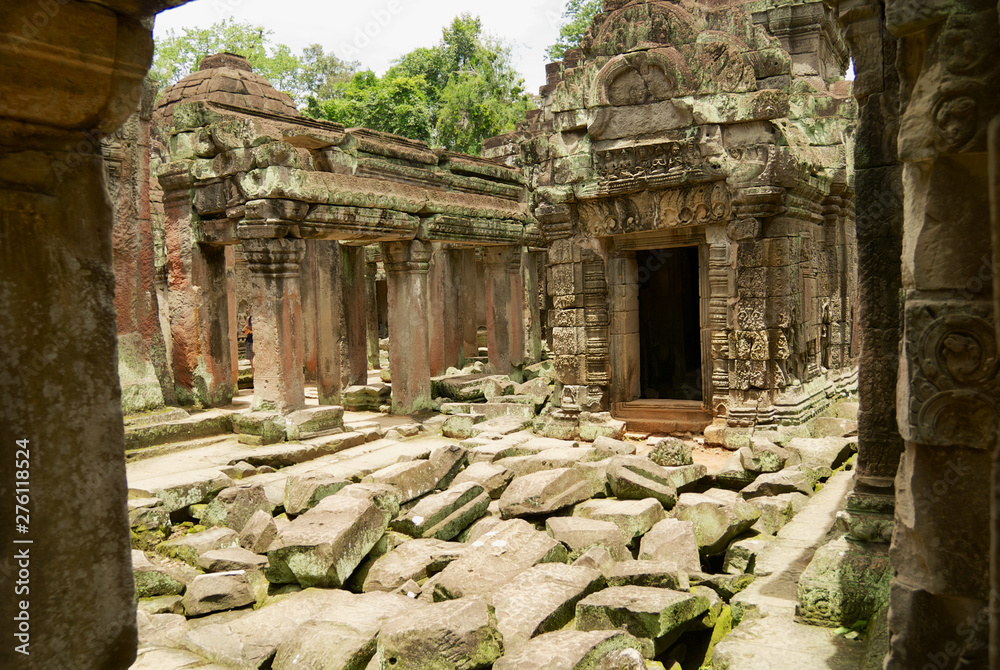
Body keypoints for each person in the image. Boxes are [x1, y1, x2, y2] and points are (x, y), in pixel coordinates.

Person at [242, 307, 254, 373]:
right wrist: (246, 331)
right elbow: (246, 329)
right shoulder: (248, 318)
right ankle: (254, 380)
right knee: (252, 364)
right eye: (251, 309)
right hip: (249, 341)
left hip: (256, 342)